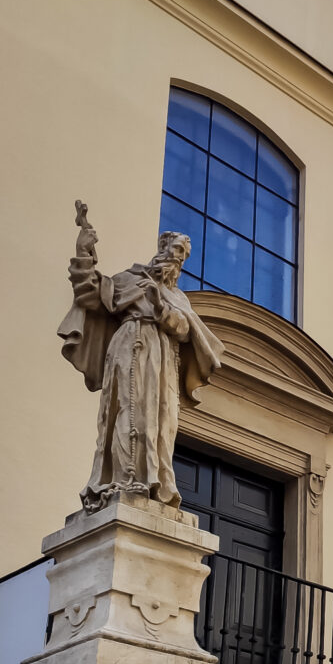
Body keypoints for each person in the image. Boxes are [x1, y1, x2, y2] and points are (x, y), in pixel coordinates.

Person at [58, 201, 222, 511]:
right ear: (162, 247)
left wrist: (161, 307)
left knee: (159, 419)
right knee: (125, 410)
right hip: (127, 344)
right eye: (175, 249)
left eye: (183, 255)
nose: (178, 257)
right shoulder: (128, 279)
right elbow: (92, 294)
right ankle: (121, 478)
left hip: (161, 354)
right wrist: (84, 251)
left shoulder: (177, 296)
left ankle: (153, 482)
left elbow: (186, 329)